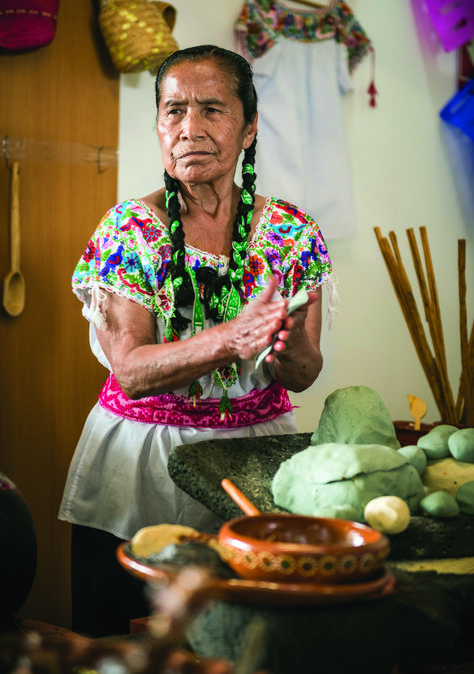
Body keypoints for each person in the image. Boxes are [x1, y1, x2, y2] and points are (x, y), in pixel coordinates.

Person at [59, 44, 336, 637]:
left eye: (212, 109)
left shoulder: (291, 234)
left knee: (245, 634)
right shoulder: (129, 230)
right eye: (174, 110)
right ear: (158, 124)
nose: (190, 129)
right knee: (116, 635)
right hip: (139, 462)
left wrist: (283, 345)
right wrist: (231, 337)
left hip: (254, 459)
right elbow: (130, 368)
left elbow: (304, 371)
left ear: (249, 125)